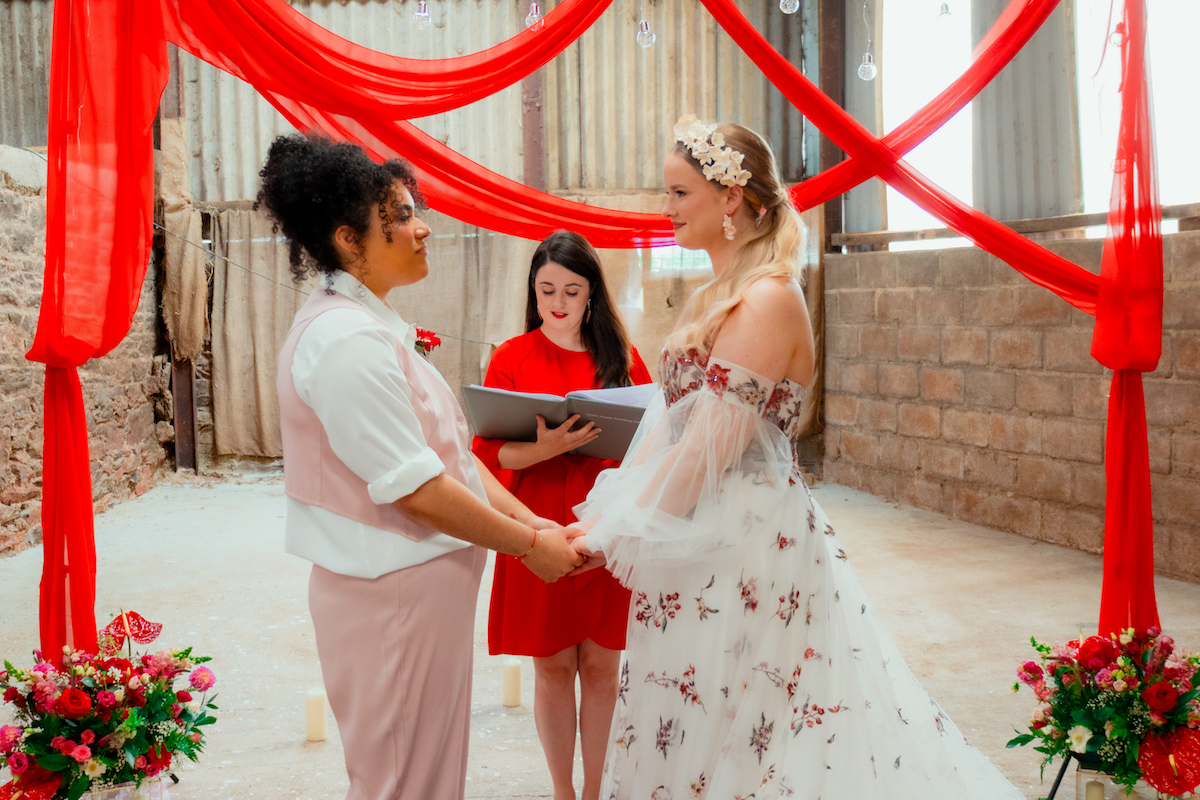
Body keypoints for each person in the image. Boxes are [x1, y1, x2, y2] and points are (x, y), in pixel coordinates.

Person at [568, 116, 1025, 799]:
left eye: (679, 192)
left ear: (729, 199)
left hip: (745, 539)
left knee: (749, 718)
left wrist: (616, 533)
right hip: (695, 533)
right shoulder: (710, 297)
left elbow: (707, 454)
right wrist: (611, 513)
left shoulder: (767, 299)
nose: (665, 209)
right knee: (692, 711)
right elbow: (670, 433)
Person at [258, 134, 582, 800]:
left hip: (417, 591)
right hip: (393, 598)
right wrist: (529, 548)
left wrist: (530, 517)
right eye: (401, 217)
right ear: (350, 240)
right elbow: (418, 491)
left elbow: (450, 456)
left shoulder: (369, 327)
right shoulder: (345, 341)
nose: (421, 227)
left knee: (427, 776)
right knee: (403, 782)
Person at [472, 231, 654, 800]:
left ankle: (596, 790)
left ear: (591, 294)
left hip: (605, 518)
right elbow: (483, 456)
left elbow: (653, 442)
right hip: (537, 518)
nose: (557, 302)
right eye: (546, 289)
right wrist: (546, 450)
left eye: (570, 291)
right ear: (532, 289)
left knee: (602, 666)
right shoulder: (511, 356)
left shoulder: (621, 358)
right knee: (552, 667)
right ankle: (562, 792)